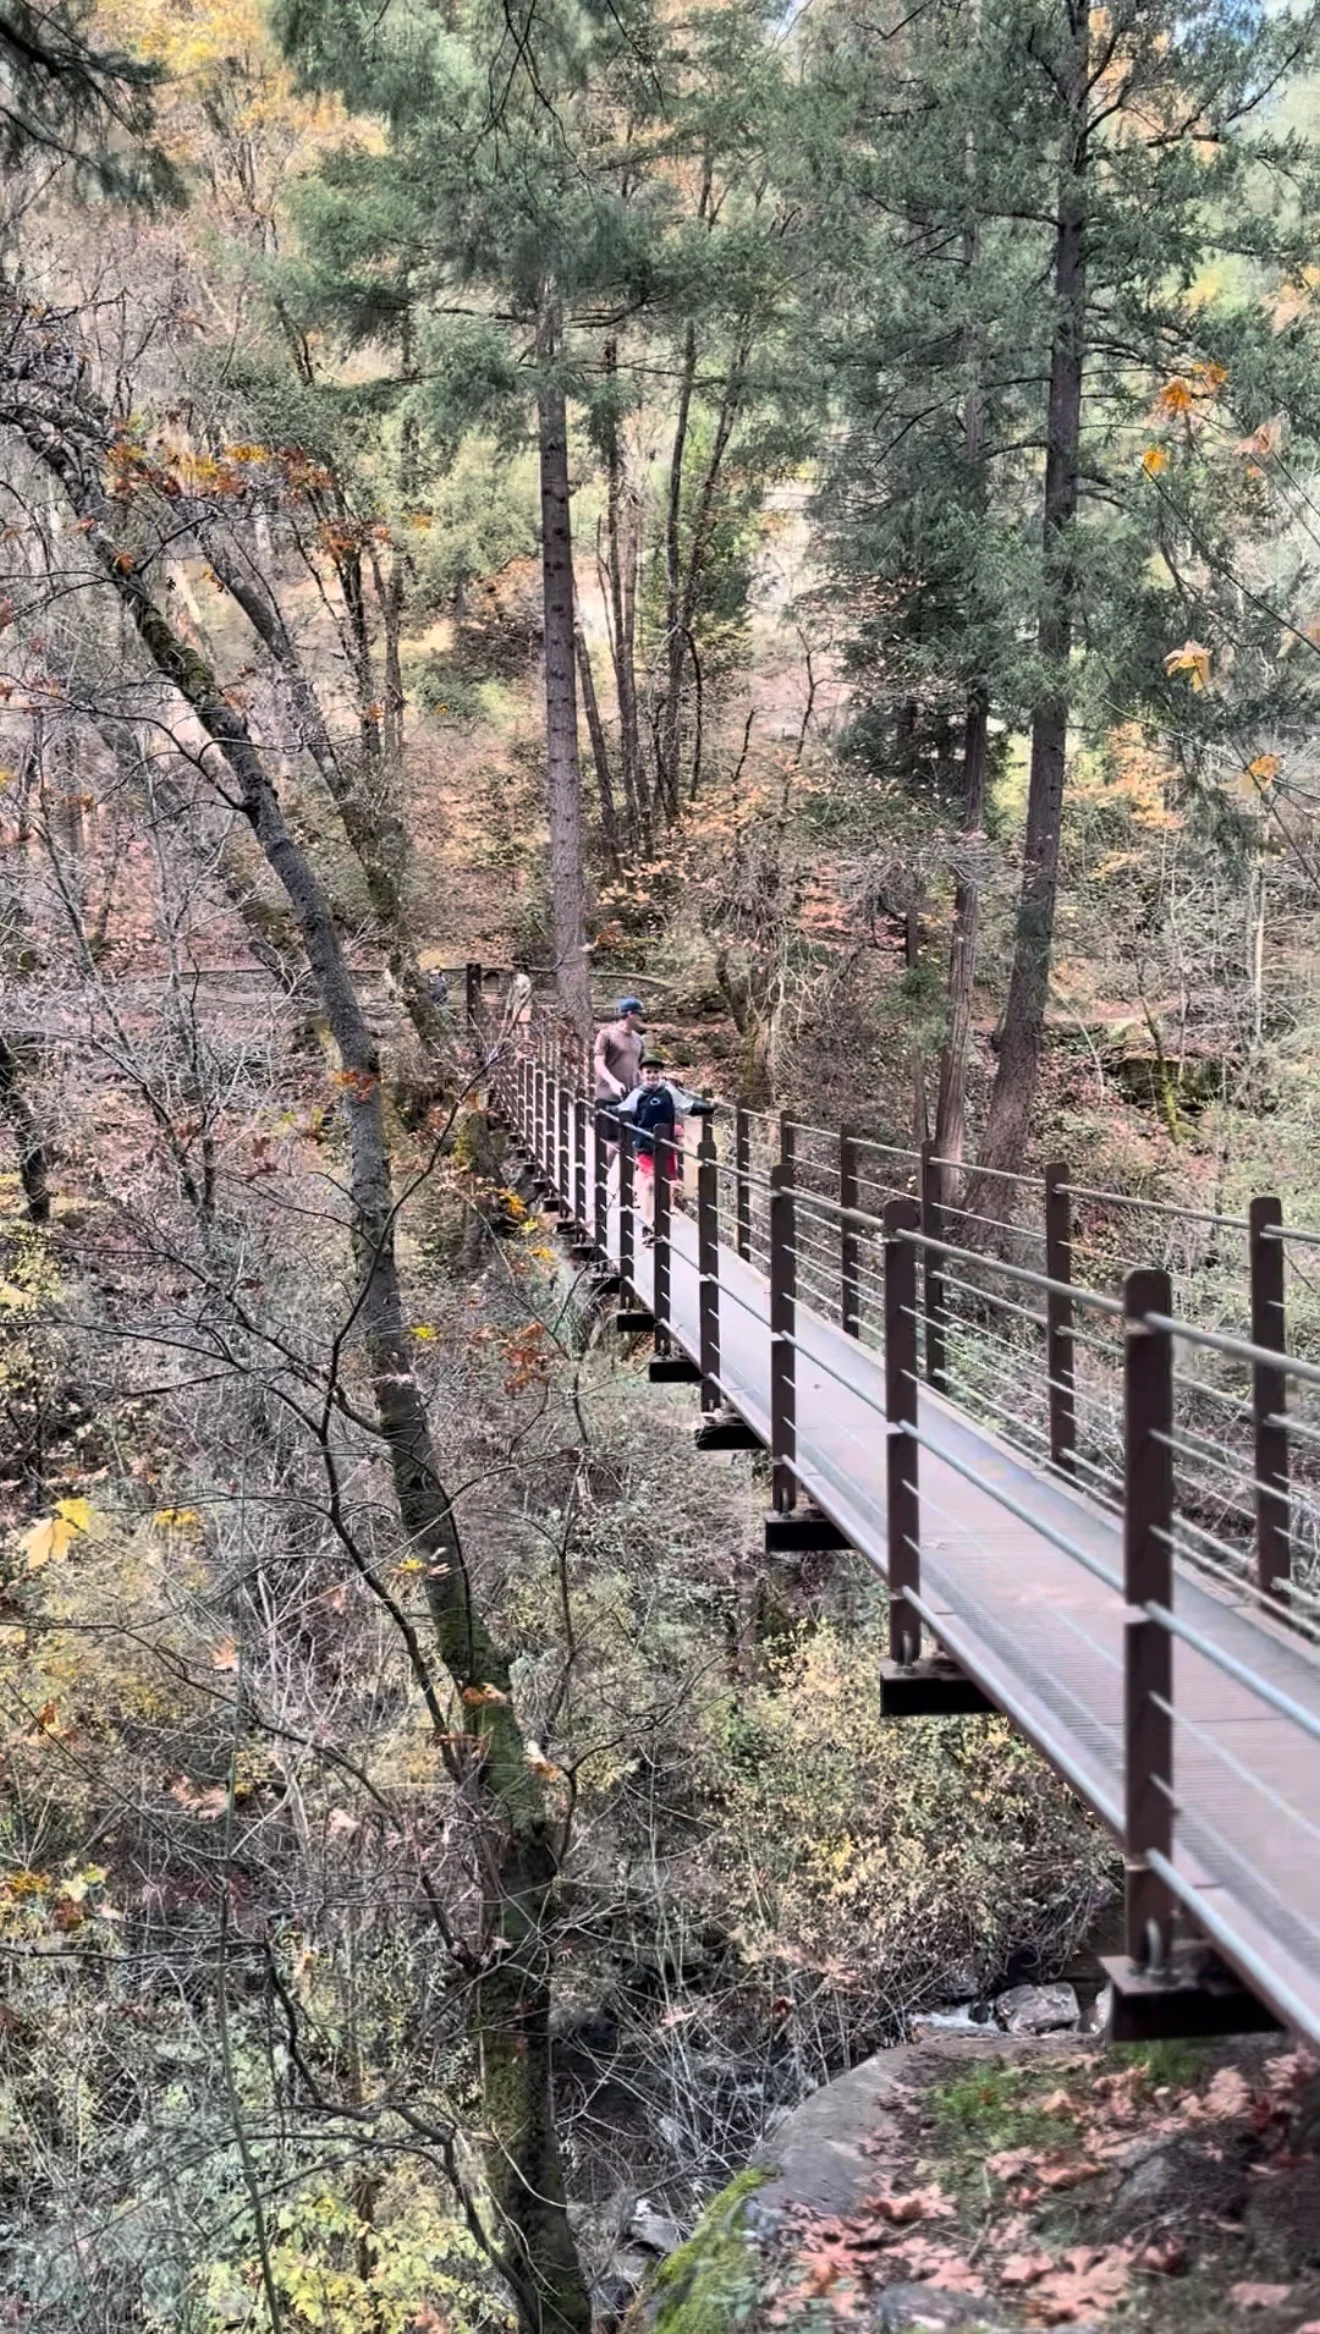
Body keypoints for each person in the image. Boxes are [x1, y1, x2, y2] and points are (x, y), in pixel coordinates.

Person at [617, 1054, 713, 1237]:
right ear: (641, 1074)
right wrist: (609, 1111)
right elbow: (624, 1110)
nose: (652, 1076)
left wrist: (706, 1108)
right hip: (646, 1145)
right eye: (648, 1072)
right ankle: (648, 1221)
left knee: (666, 1181)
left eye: (656, 1072)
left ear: (661, 1073)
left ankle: (662, 1214)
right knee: (650, 1182)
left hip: (666, 1144)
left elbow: (686, 1106)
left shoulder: (668, 1090)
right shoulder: (638, 1094)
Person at [593, 994, 646, 1160]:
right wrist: (613, 1082)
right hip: (609, 1096)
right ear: (630, 1014)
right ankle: (599, 1181)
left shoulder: (638, 1040)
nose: (642, 1018)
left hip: (632, 1097)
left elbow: (639, 1066)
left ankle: (629, 1185)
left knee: (634, 1142)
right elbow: (598, 1062)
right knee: (612, 1143)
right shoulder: (606, 1035)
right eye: (640, 1014)